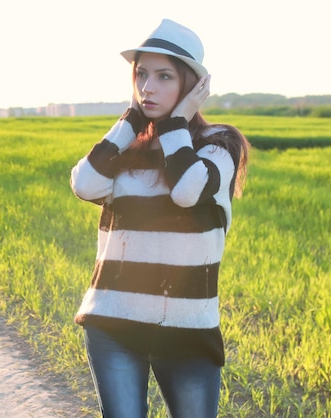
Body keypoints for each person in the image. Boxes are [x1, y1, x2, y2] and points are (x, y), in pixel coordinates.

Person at [70, 19, 250, 418]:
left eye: (164, 76)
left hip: (187, 329)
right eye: (141, 74)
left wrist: (175, 124)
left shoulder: (219, 145)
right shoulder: (127, 151)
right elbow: (84, 184)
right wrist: (132, 121)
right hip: (114, 321)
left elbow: (188, 191)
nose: (147, 86)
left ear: (192, 86)